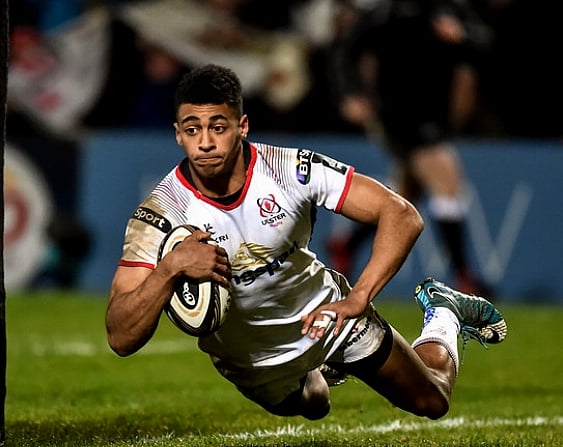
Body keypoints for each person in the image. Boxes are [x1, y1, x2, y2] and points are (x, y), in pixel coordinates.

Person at [105, 64, 506, 420]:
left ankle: (443, 313)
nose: (205, 142)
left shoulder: (289, 170)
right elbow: (120, 336)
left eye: (218, 127)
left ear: (242, 126)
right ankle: (318, 372)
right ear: (178, 134)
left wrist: (359, 297)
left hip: (330, 318)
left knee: (432, 401)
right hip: (252, 361)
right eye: (192, 129)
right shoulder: (161, 213)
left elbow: (401, 214)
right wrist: (170, 268)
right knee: (316, 404)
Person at [325, 0, 494, 295]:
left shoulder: (450, 8)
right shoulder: (387, 13)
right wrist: (349, 94)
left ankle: (346, 245)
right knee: (446, 178)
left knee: (405, 197)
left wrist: (462, 34)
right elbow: (346, 50)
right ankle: (463, 277)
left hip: (436, 114)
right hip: (397, 115)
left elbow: (485, 41)